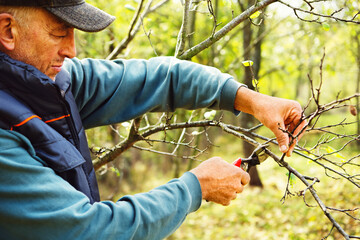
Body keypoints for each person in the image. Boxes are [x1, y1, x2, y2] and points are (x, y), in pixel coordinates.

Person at [0, 0, 306, 239]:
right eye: (59, 32)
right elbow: (87, 231)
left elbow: (159, 78)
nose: (72, 50)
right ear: (8, 31)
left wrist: (253, 100)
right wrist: (195, 187)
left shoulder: (52, 84)